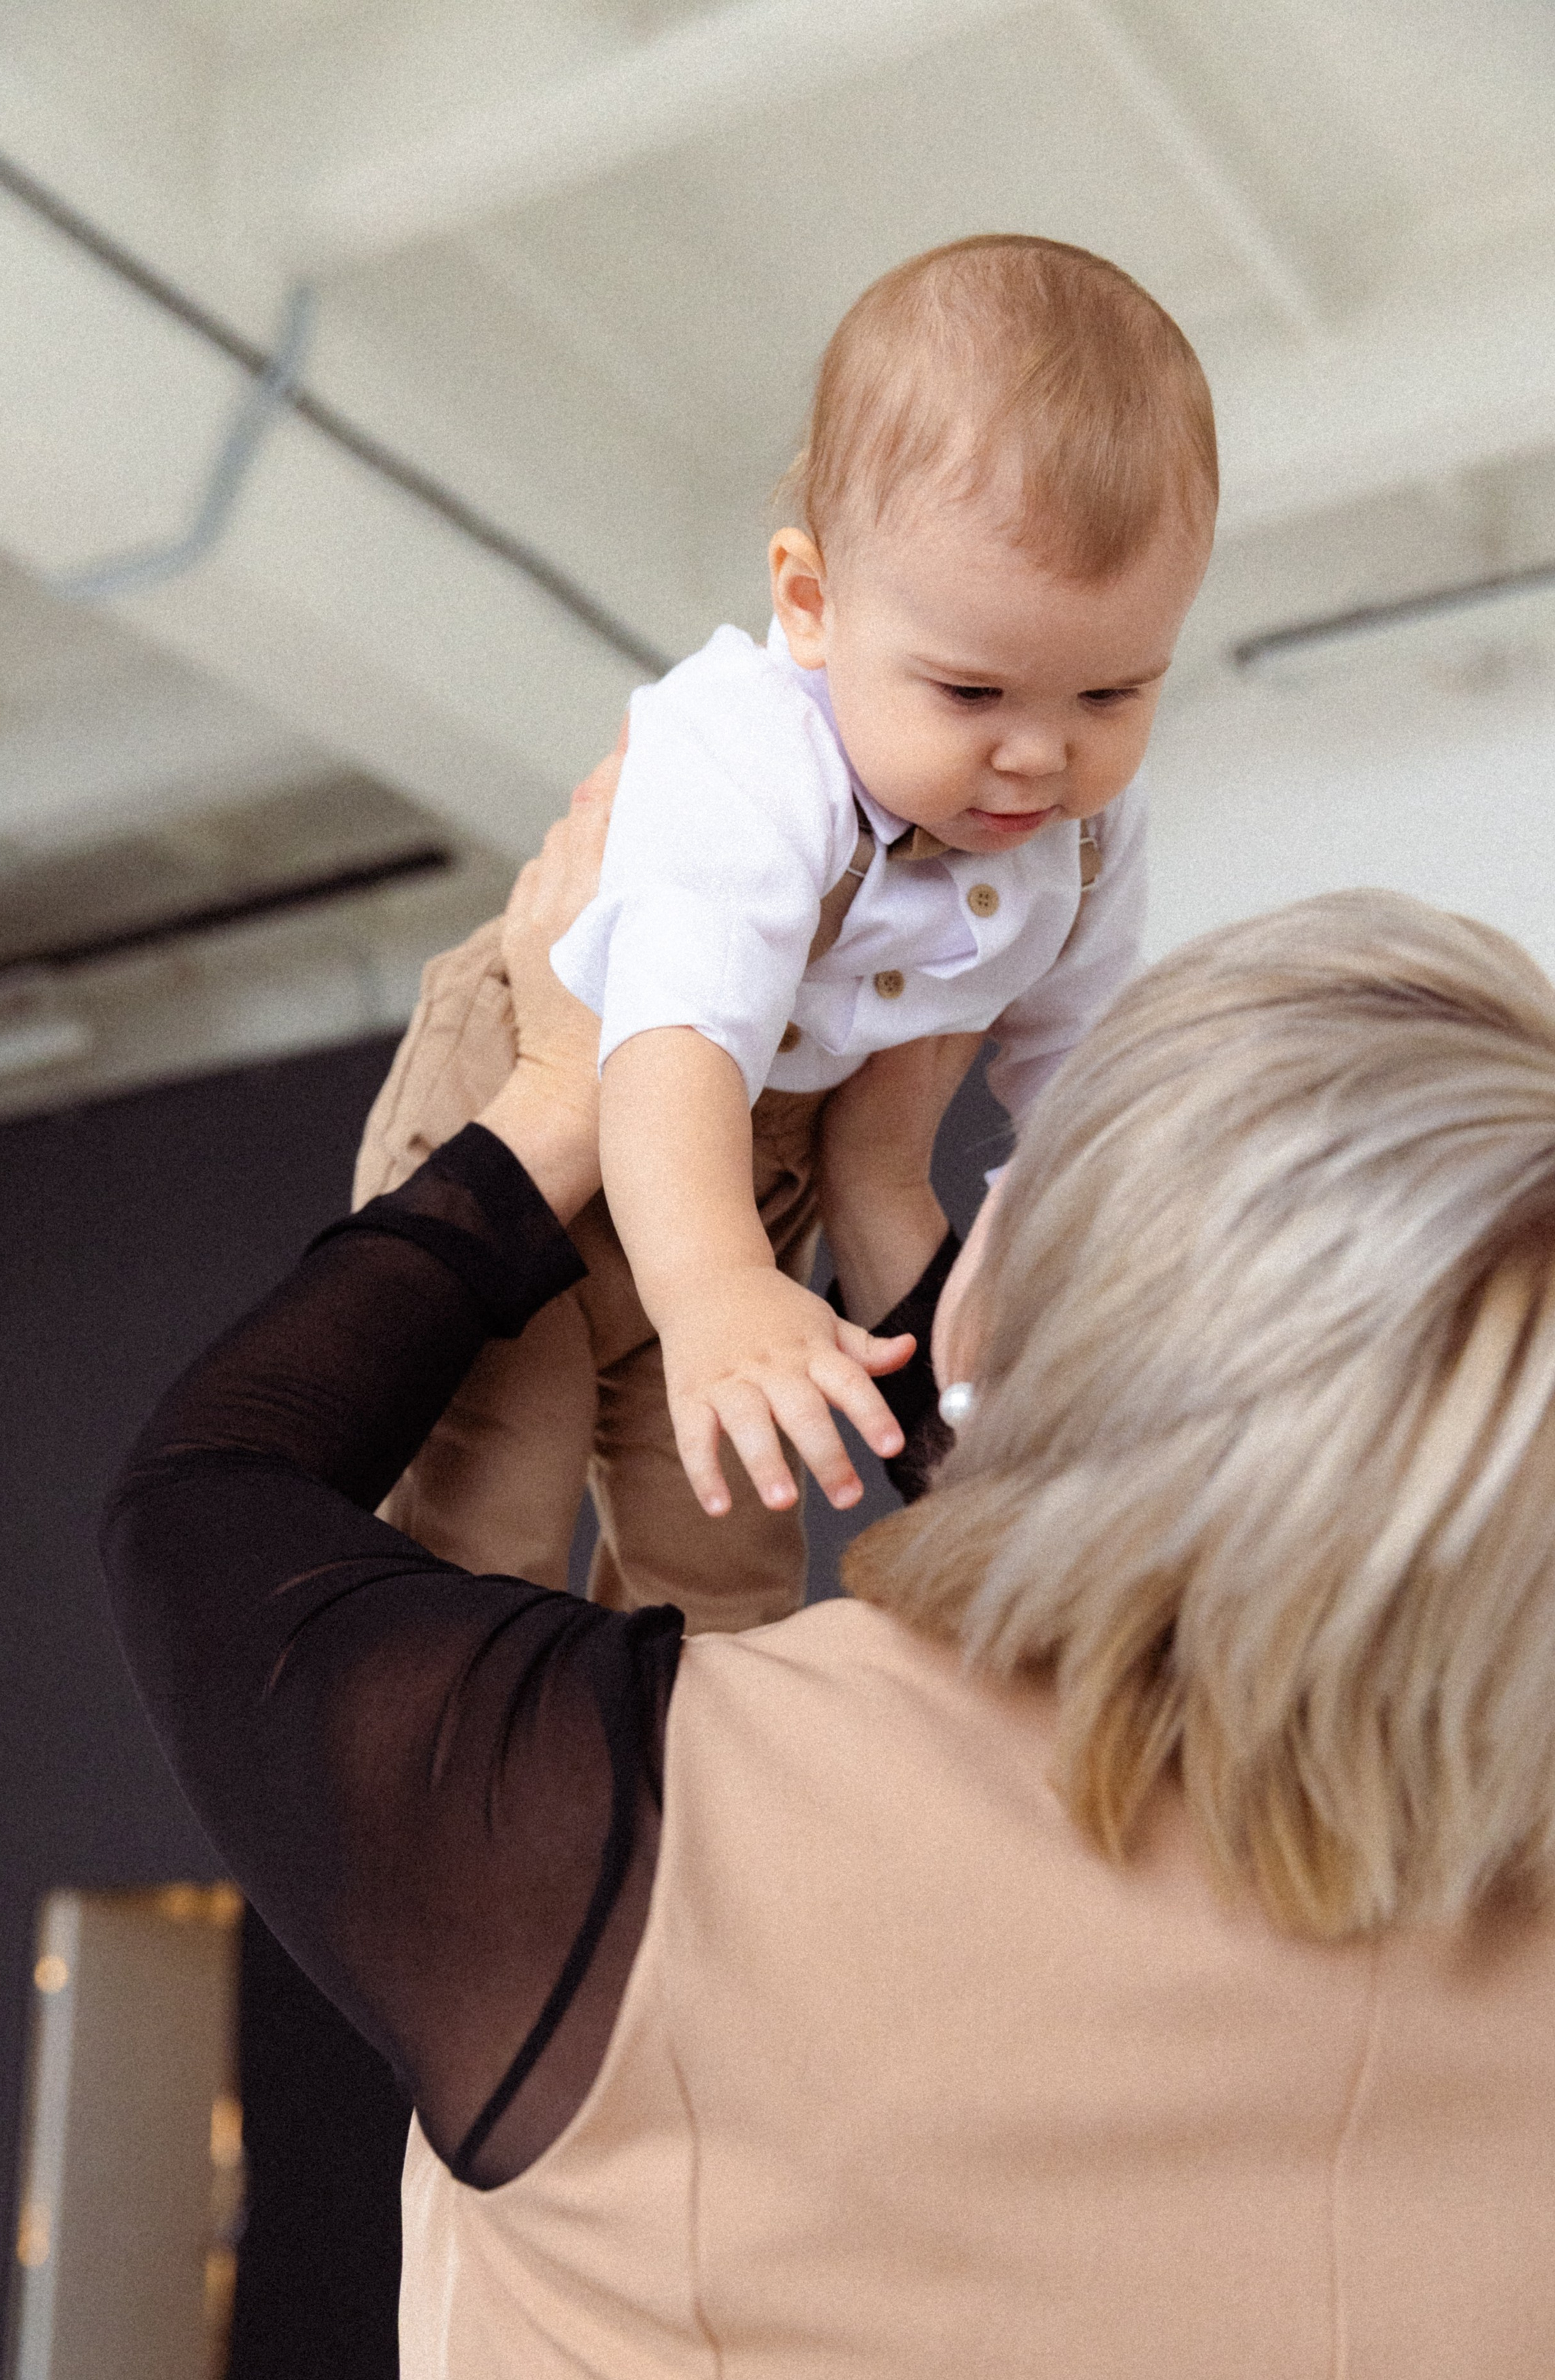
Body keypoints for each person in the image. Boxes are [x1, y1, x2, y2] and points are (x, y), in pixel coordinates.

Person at [104, 768, 1555, 2380]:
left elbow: (206, 1501)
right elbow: (1204, 1590)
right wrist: (882, 1200)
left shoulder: (651, 1826)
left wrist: (550, 1099)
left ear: (1017, 1297)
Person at [353, 234, 1215, 1628]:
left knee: (731, 1541)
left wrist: (1098, 1288)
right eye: (969, 693)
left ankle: (678, 1796)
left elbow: (1080, 1087)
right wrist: (706, 1290)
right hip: (563, 1112)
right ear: (810, 607)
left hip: (761, 1171)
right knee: (491, 1489)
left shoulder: (1088, 838)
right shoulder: (748, 753)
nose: (1037, 760)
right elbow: (676, 1037)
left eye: (1111, 697)